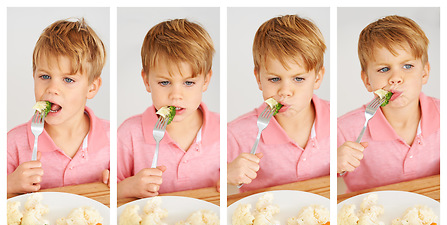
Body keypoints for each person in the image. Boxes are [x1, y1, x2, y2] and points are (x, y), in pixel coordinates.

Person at [117, 19, 220, 199]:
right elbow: (110, 192)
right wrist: (127, 187)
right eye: (164, 82)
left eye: (188, 82)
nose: (176, 95)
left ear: (206, 81)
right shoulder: (129, 134)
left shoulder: (222, 131)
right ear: (147, 80)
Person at [227, 15, 330, 192]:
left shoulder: (336, 123)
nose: (285, 91)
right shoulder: (236, 134)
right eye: (274, 79)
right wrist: (226, 174)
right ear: (259, 79)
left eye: (298, 79)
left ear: (318, 78)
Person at [337, 15, 439, 192]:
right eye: (384, 69)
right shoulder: (344, 129)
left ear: (425, 72)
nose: (395, 79)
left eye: (407, 66)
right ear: (367, 80)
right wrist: (334, 165)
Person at [7, 18, 109, 193]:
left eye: (68, 79)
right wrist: (8, 184)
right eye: (45, 77)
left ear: (91, 88)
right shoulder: (14, 142)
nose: (52, 89)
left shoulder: (111, 139)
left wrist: (112, 184)